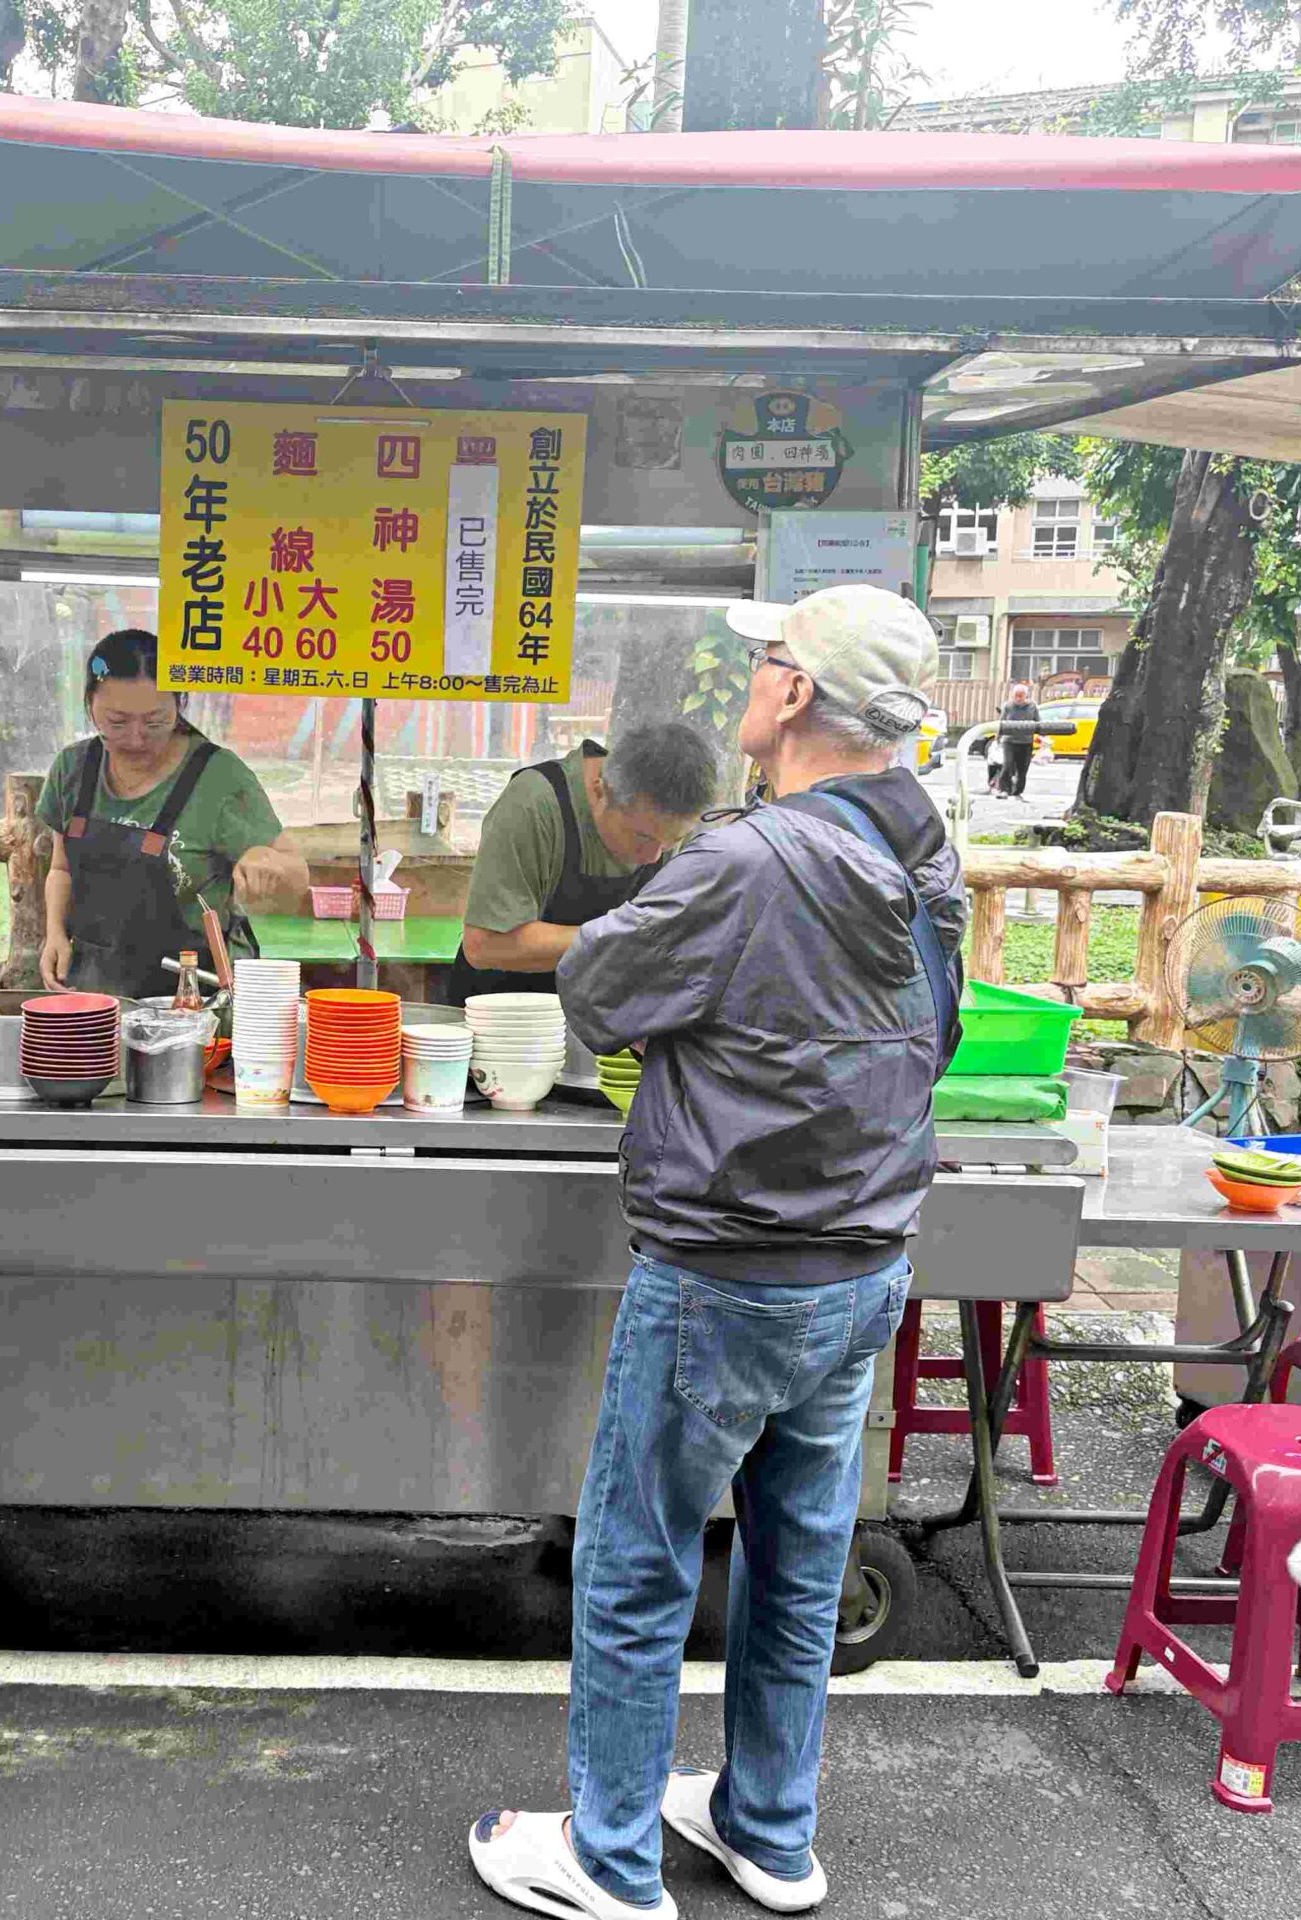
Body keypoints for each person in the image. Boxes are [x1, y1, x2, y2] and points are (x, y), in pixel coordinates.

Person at [469, 584, 963, 1920]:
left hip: (727, 1275)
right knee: (798, 1561)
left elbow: (600, 989)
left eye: (767, 659)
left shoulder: (749, 860)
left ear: (796, 695)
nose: (750, 678)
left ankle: (613, 1858)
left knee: (638, 1561)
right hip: (862, 1262)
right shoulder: (924, 849)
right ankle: (769, 1831)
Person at [35, 628, 309, 996]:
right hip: (90, 992)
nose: (136, 737)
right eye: (117, 722)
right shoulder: (72, 769)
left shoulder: (219, 778)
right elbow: (60, 867)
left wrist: (266, 861)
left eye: (155, 721)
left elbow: (296, 874)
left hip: (189, 1000)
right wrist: (54, 934)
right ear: (89, 706)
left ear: (180, 703)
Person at [446, 724, 714, 1002]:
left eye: (672, 840)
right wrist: (622, 937)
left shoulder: (663, 815)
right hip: (500, 1016)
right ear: (600, 791)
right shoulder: (534, 804)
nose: (654, 857)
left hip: (590, 1015)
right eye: (642, 837)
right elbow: (483, 945)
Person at [994, 682, 1040, 799]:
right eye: (1016, 695)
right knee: (1008, 765)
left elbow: (1038, 722)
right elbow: (1002, 721)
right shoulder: (1008, 706)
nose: (1018, 698)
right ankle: (1004, 789)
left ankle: (1017, 790)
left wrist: (1041, 736)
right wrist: (998, 737)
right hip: (1009, 740)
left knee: (1022, 768)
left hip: (1026, 741)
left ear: (1026, 696)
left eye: (1021, 695)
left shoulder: (1032, 706)